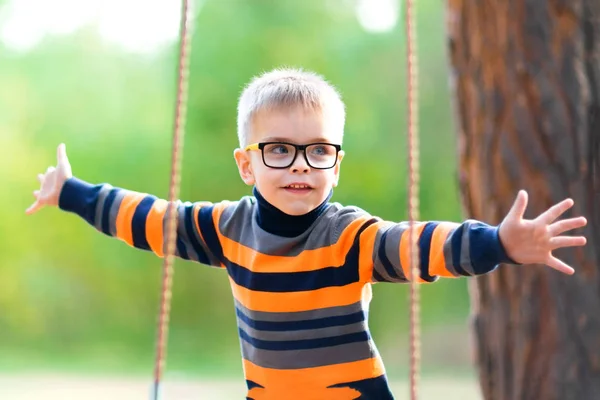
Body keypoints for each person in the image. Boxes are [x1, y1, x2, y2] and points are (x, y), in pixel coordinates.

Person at [26, 68, 587, 399]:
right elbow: (147, 218)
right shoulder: (226, 228)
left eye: (318, 150)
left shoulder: (350, 236)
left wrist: (500, 244)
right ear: (247, 164)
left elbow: (421, 244)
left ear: (335, 165)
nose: (300, 165)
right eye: (280, 150)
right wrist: (72, 193)